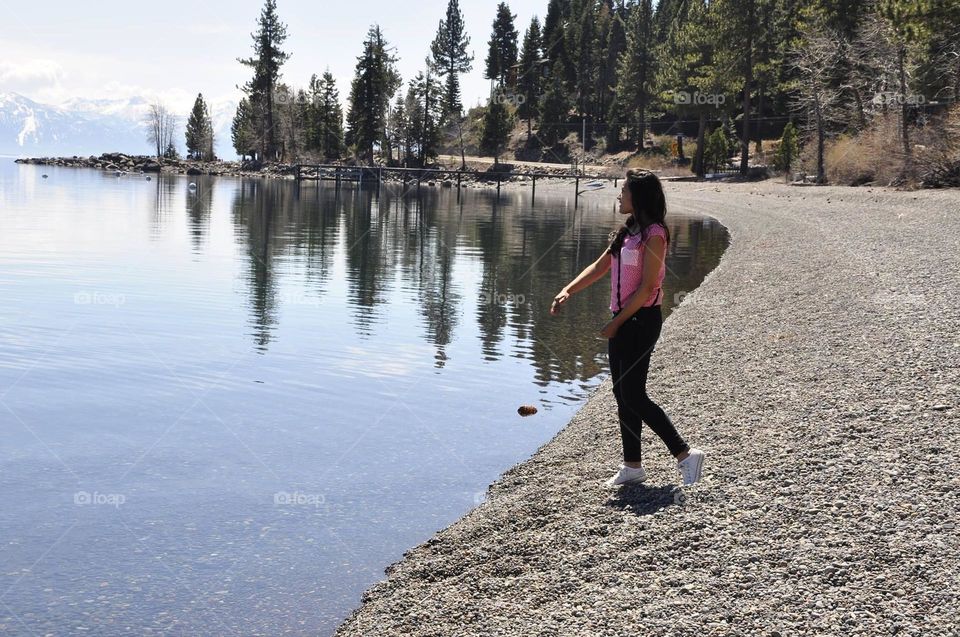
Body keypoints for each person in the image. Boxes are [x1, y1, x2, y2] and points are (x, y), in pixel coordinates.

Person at [550, 168, 705, 488]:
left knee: (634, 393)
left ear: (639, 196)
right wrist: (569, 289)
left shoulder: (655, 235)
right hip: (622, 320)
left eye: (624, 191)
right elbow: (600, 266)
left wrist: (616, 323)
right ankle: (632, 466)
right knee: (623, 394)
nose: (620, 196)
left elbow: (648, 288)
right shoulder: (629, 230)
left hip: (641, 321)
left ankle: (686, 455)